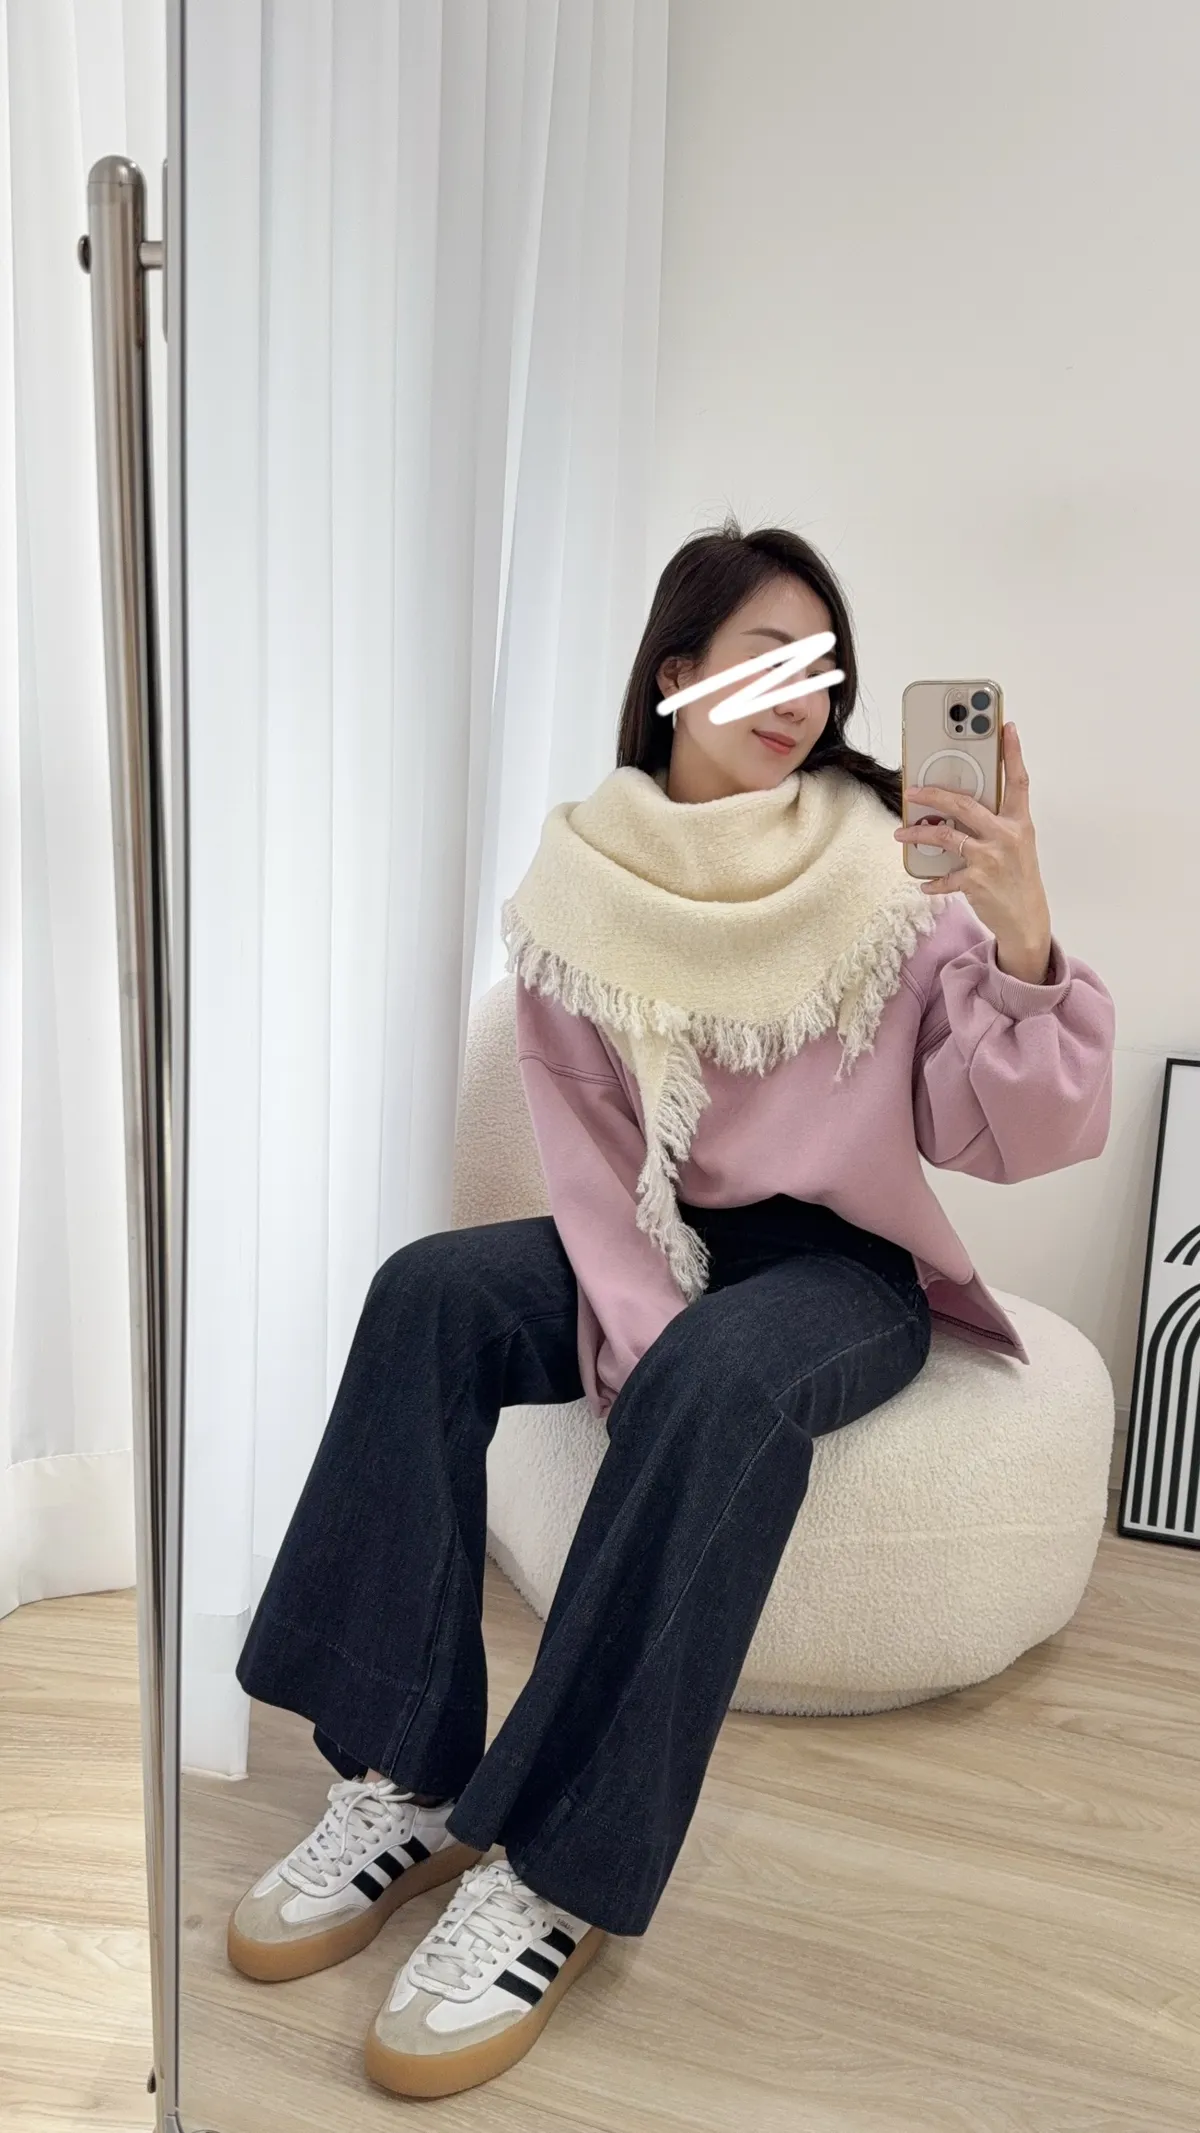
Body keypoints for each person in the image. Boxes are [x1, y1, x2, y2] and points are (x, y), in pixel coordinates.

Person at [227, 519, 1116, 2100]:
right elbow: (584, 1156)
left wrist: (1024, 925)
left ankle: (552, 1869)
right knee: (429, 1293)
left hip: (842, 1269)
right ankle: (406, 1780)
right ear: (675, 675)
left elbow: (1010, 1134)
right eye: (764, 657)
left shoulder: (886, 868)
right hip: (645, 1236)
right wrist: (638, 1327)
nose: (800, 694)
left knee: (722, 1375)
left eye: (822, 667)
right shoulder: (585, 884)